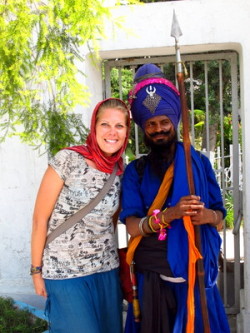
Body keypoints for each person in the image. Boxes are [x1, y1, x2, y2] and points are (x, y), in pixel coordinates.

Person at [120, 64, 230, 333]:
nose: (159, 129)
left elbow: (220, 218)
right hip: (153, 278)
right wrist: (168, 215)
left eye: (164, 123)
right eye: (151, 125)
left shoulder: (199, 163)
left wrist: (208, 216)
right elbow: (133, 226)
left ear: (175, 123)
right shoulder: (136, 170)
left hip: (196, 274)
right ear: (144, 129)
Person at [31, 97, 130, 333]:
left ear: (126, 132)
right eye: (105, 124)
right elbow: (39, 219)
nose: (112, 132)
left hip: (106, 270)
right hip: (65, 271)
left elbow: (111, 222)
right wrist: (36, 270)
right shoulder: (68, 159)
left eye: (119, 126)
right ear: (94, 127)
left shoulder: (120, 169)